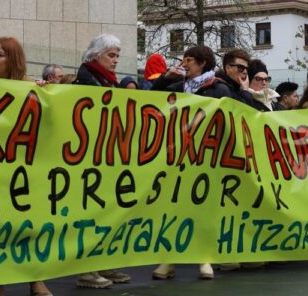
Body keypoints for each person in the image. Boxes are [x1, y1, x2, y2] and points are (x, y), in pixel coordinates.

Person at [0, 37, 53, 296]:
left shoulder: (30, 87)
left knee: (29, 224)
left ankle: (35, 280)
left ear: (14, 60)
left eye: (1, 54)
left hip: (24, 168)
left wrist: (47, 92)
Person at [150, 45, 230, 281]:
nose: (184, 64)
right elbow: (151, 98)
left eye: (189, 60)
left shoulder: (218, 88)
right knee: (174, 206)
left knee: (202, 207)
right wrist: (165, 79)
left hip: (205, 158)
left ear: (202, 63)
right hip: (177, 157)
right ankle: (169, 259)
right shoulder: (176, 86)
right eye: (183, 60)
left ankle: (204, 257)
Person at [72, 33, 132, 288]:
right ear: (97, 55)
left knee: (105, 213)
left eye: (118, 55)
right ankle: (87, 269)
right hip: (87, 160)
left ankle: (103, 262)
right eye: (111, 55)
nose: (116, 60)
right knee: (90, 213)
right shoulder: (85, 82)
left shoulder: (108, 82)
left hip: (106, 159)